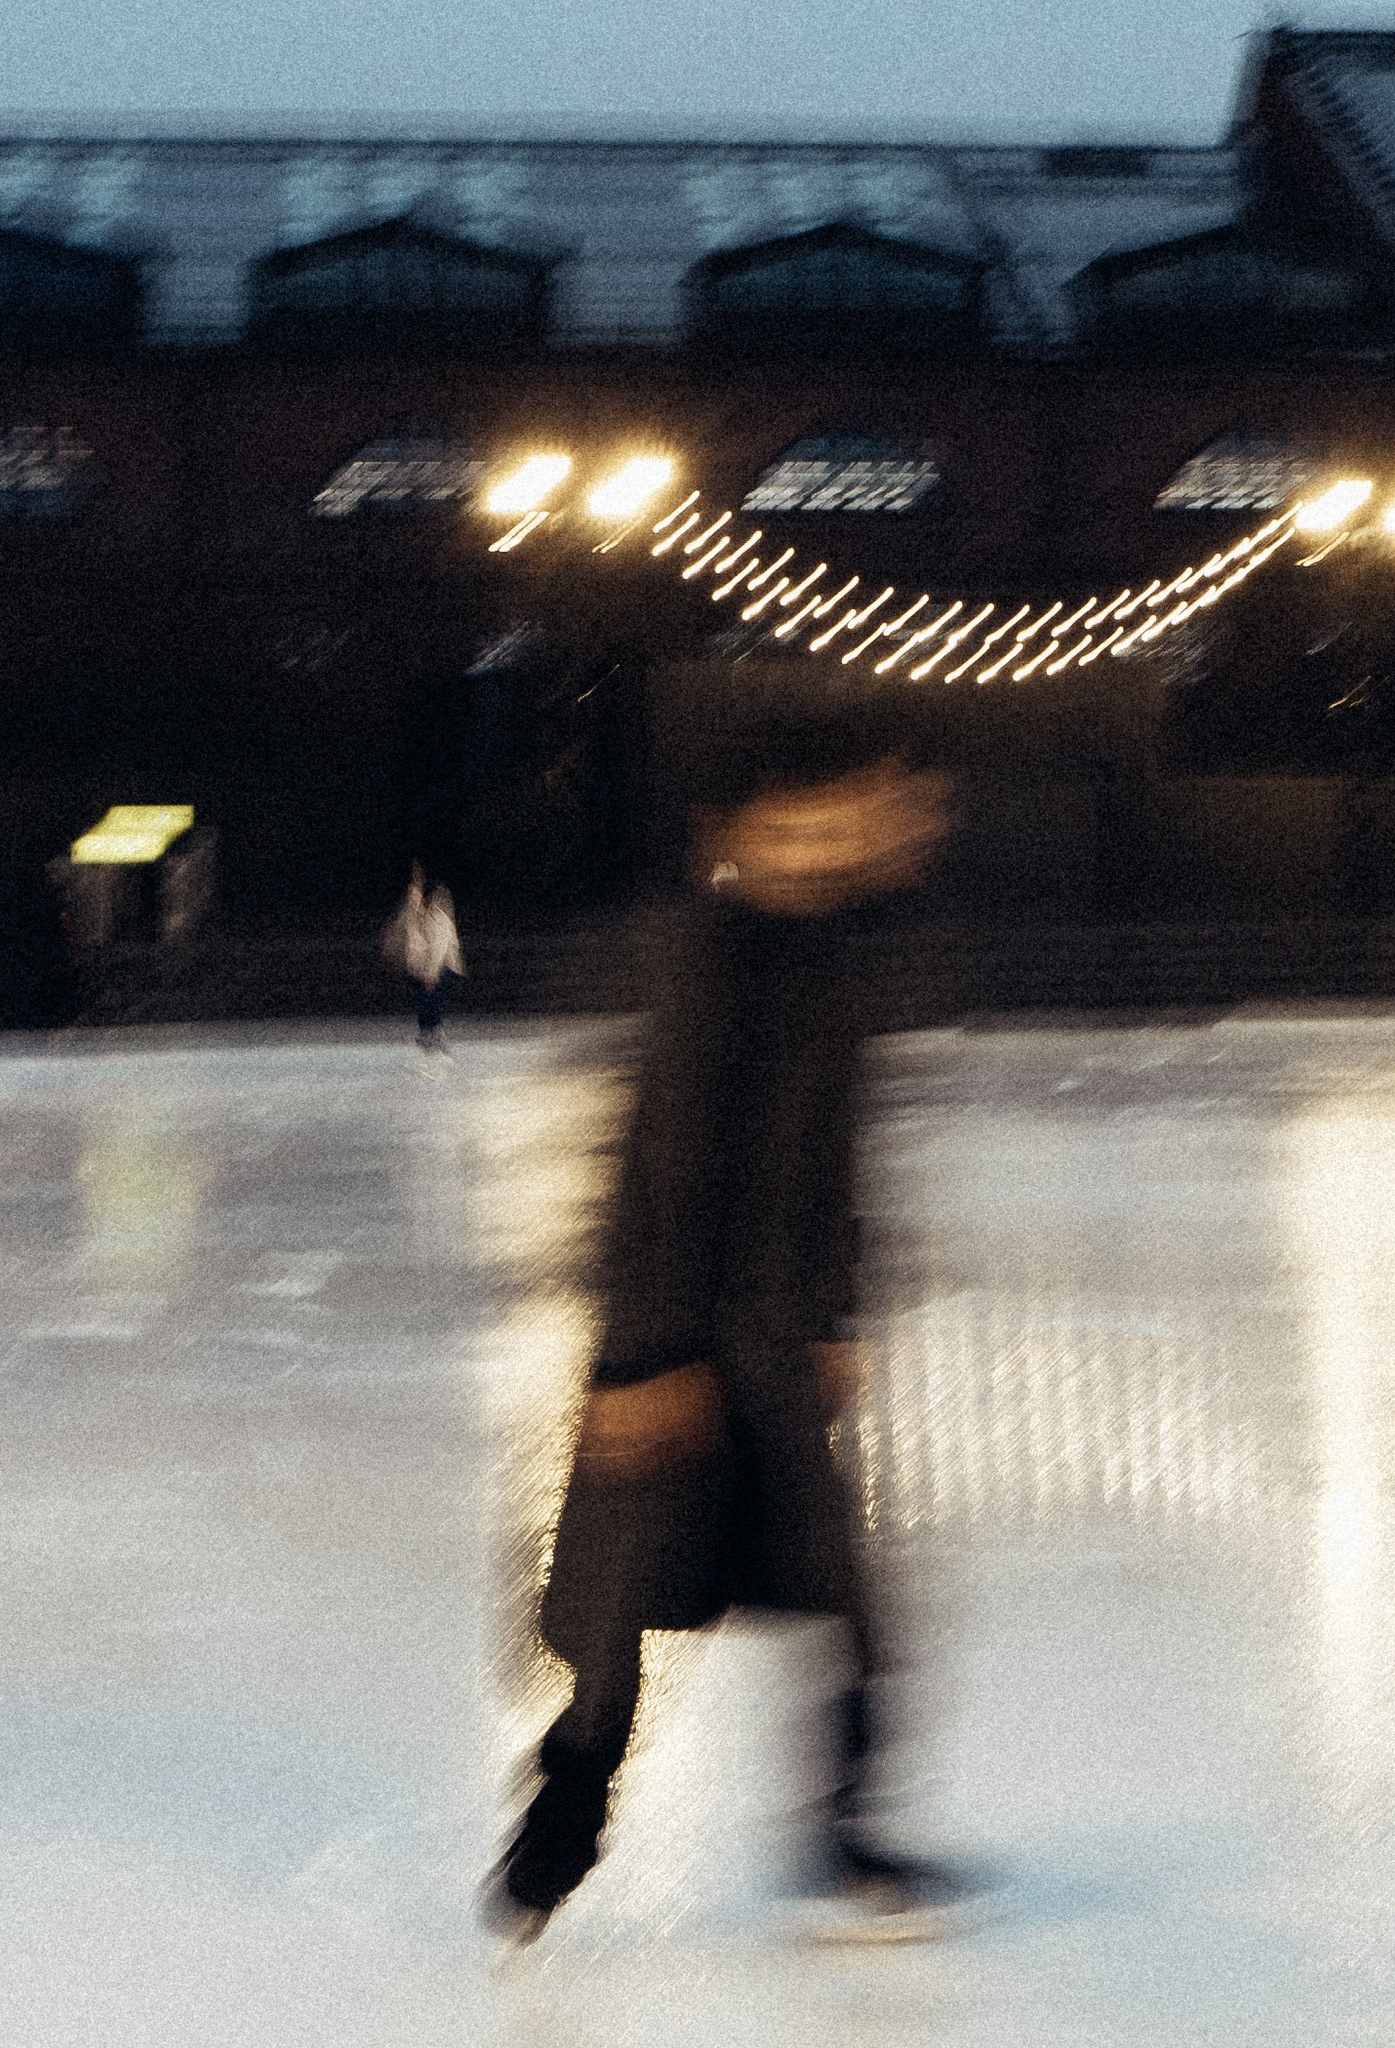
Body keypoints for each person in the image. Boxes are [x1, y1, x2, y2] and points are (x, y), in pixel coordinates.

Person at [485, 713, 973, 1942]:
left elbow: (836, 1169)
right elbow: (655, 1172)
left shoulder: (843, 960)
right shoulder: (696, 958)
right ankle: (555, 1839)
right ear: (732, 838)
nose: (823, 848)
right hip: (677, 1346)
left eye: (843, 822)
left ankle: (848, 1842)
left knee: (851, 1615)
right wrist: (647, 1362)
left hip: (775, 1347)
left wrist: (835, 1319)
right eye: (795, 827)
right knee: (616, 1630)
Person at [383, 864, 465, 1053]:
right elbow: (400, 928)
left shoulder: (437, 917)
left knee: (430, 992)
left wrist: (432, 973)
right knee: (422, 993)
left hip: (442, 963)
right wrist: (389, 947)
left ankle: (435, 1030)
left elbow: (440, 947)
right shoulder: (413, 911)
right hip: (421, 963)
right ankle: (427, 1030)